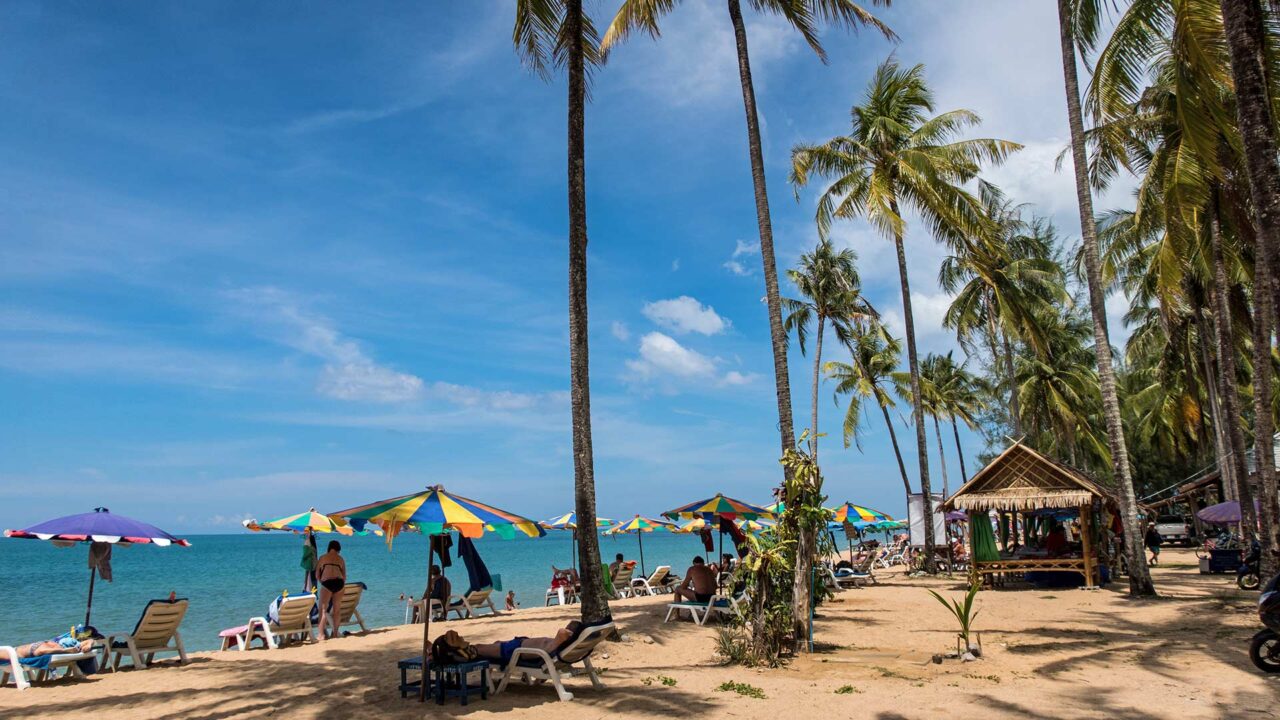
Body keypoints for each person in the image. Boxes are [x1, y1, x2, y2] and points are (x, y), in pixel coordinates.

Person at [474, 621, 581, 666]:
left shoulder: (559, 641)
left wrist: (573, 632)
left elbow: (563, 631)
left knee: (478, 648)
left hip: (515, 650)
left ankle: (459, 656)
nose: (568, 626)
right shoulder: (560, 644)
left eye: (570, 626)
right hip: (517, 644)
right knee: (496, 643)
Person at [315, 540, 346, 641]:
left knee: (322, 610)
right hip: (339, 583)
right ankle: (335, 634)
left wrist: (323, 583)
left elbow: (317, 575)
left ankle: (321, 635)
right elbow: (344, 576)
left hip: (327, 583)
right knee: (337, 610)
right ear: (338, 549)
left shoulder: (323, 557)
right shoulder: (341, 559)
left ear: (329, 547)